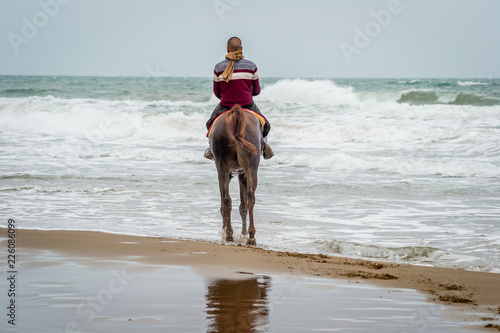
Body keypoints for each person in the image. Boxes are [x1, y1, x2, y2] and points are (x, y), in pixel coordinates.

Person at [204, 36, 273, 160]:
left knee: (210, 124)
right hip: (247, 105)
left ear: (227, 49)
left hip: (225, 106)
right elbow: (256, 91)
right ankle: (265, 146)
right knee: (265, 124)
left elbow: (216, 92)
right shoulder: (252, 66)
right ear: (241, 49)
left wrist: (228, 97)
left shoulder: (218, 67)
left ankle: (210, 149)